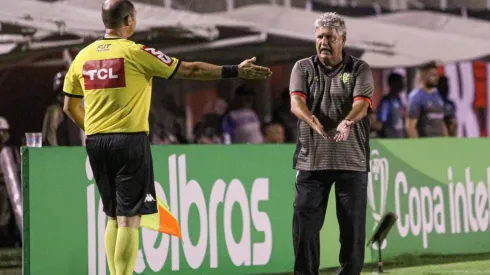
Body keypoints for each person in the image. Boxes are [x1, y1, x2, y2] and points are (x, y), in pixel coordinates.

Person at [62, 1, 272, 274]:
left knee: (112, 216)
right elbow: (191, 69)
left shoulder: (83, 57)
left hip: (96, 143)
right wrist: (234, 70)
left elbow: (70, 107)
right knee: (129, 219)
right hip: (129, 142)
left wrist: (92, 129)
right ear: (128, 20)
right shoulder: (135, 53)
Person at [289, 12, 374, 275]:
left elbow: (362, 104)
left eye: (329, 37)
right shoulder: (302, 67)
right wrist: (310, 119)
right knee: (305, 224)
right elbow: (296, 103)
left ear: (343, 40)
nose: (323, 42)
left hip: (351, 160)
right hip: (311, 160)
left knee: (352, 230)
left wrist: (348, 121)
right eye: (319, 37)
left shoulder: (359, 68)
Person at [406, 62, 448, 138]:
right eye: (433, 75)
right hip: (425, 144)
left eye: (437, 75)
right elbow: (410, 126)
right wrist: (417, 146)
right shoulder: (416, 97)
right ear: (423, 75)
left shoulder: (437, 95)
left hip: (439, 143)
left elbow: (441, 121)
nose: (436, 77)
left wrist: (447, 141)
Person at [42, 71, 83, 146]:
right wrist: (57, 153)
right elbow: (50, 134)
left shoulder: (77, 107)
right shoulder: (55, 110)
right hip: (63, 154)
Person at [376, 72, 406, 138]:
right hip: (390, 139)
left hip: (401, 138)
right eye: (400, 82)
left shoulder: (399, 99)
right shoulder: (386, 101)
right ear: (392, 84)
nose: (402, 84)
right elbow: (380, 123)